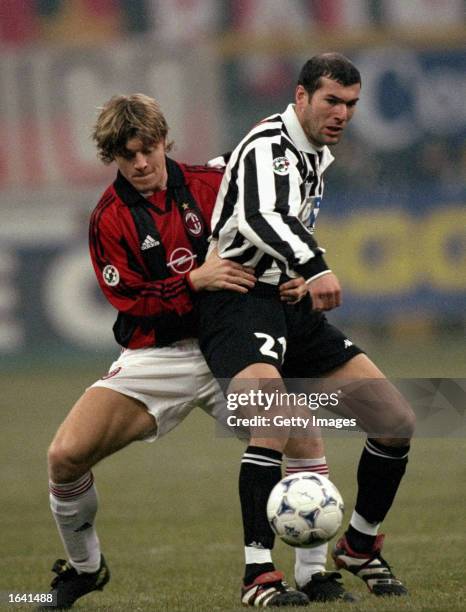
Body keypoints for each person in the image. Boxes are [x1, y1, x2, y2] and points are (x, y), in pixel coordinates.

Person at [40, 93, 334, 609]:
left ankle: (311, 575)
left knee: (302, 437)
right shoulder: (108, 219)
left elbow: (271, 227)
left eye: (148, 149)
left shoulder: (211, 183)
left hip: (233, 339)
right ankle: (85, 568)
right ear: (113, 155)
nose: (141, 163)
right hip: (159, 358)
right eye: (128, 154)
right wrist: (192, 280)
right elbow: (131, 305)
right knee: (64, 457)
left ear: (163, 141)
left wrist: (292, 277)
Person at [198, 53, 416, 606]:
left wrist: (295, 272)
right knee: (269, 416)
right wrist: (314, 264)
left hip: (288, 303)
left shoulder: (312, 151)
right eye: (331, 102)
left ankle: (360, 546)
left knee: (394, 420)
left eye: (351, 105)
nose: (343, 114)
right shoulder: (270, 144)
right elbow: (263, 216)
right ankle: (257, 575)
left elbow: (228, 177)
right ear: (300, 97)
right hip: (240, 304)